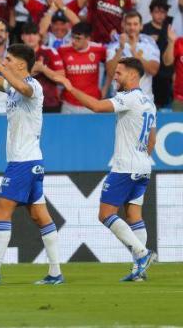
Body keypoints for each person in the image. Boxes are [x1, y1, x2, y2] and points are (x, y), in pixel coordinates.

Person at [0, 27, 63, 286]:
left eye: (8, 60)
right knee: (40, 216)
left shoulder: (34, 87)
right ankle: (55, 273)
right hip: (29, 162)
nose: (4, 62)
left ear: (21, 65)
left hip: (23, 162)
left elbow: (24, 87)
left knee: (1, 212)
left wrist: (0, 64)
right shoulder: (13, 86)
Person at [55, 57, 157, 281]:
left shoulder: (128, 98)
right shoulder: (149, 102)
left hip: (124, 167)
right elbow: (152, 140)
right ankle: (138, 271)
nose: (115, 77)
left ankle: (142, 253)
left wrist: (71, 88)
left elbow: (96, 106)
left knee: (105, 214)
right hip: (143, 166)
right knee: (134, 215)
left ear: (132, 75)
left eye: (119, 73)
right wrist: (141, 158)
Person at [106, 10, 160, 102]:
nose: (132, 27)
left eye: (135, 24)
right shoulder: (114, 44)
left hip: (144, 101)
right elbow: (111, 73)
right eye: (129, 24)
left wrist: (134, 53)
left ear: (141, 26)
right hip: (121, 102)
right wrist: (121, 48)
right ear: (124, 25)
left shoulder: (150, 44)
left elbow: (153, 70)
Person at [58, 22, 108, 114]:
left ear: (88, 38)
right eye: (72, 37)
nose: (73, 41)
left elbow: (112, 66)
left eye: (78, 38)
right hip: (69, 103)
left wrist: (106, 87)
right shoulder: (62, 50)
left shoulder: (99, 49)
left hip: (92, 104)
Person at [20, 23, 65, 113]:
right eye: (28, 34)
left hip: (49, 103)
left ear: (39, 37)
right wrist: (31, 71)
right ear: (22, 37)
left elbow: (61, 77)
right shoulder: (15, 54)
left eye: (34, 34)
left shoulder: (49, 52)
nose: (31, 37)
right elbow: (12, 78)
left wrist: (43, 69)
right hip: (24, 104)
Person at [142, 0, 174, 108]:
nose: (160, 15)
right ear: (151, 13)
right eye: (157, 12)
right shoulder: (144, 30)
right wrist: (147, 40)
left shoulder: (169, 29)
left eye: (163, 12)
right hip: (149, 76)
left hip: (166, 76)